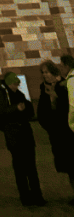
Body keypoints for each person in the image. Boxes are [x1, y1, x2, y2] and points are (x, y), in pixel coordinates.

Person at [0, 70, 46, 207]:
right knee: (20, 168)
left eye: (17, 84)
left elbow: (29, 110)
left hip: (25, 134)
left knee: (31, 167)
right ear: (9, 83)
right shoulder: (1, 95)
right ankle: (25, 197)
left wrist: (25, 108)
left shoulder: (19, 94)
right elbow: (1, 112)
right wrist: (16, 108)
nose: (16, 86)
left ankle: (37, 195)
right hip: (14, 136)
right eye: (14, 84)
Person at [37, 60, 74, 200]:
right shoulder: (44, 88)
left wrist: (56, 99)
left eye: (47, 72)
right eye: (43, 72)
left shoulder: (65, 85)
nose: (45, 75)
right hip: (58, 135)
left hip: (69, 132)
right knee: (70, 168)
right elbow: (42, 113)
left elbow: (69, 106)